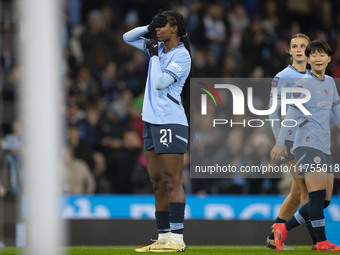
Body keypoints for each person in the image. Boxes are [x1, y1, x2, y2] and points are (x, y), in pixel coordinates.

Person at [123, 10, 191, 252]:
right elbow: (127, 37)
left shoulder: (181, 56)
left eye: (162, 25)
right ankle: (163, 237)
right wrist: (148, 26)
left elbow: (160, 83)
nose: (158, 30)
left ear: (175, 29)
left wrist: (153, 56)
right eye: (157, 25)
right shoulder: (159, 49)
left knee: (172, 180)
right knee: (157, 182)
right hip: (151, 122)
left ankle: (178, 239)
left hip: (169, 122)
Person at [271, 40, 340, 251]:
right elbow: (291, 115)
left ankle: (283, 228)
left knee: (324, 200)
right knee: (316, 194)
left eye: (322, 55)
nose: (318, 58)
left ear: (329, 59)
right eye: (314, 55)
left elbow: (336, 112)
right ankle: (320, 241)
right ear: (308, 60)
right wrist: (280, 143)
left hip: (323, 145)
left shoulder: (329, 82)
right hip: (306, 143)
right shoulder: (302, 84)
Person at [266, 33, 313, 250]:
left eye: (303, 46)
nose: (299, 49)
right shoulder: (282, 76)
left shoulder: (314, 76)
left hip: (309, 139)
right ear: (289, 51)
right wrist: (280, 140)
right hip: (291, 139)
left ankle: (274, 236)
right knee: (305, 188)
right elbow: (273, 111)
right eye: (295, 46)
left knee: (296, 192)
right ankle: (318, 239)